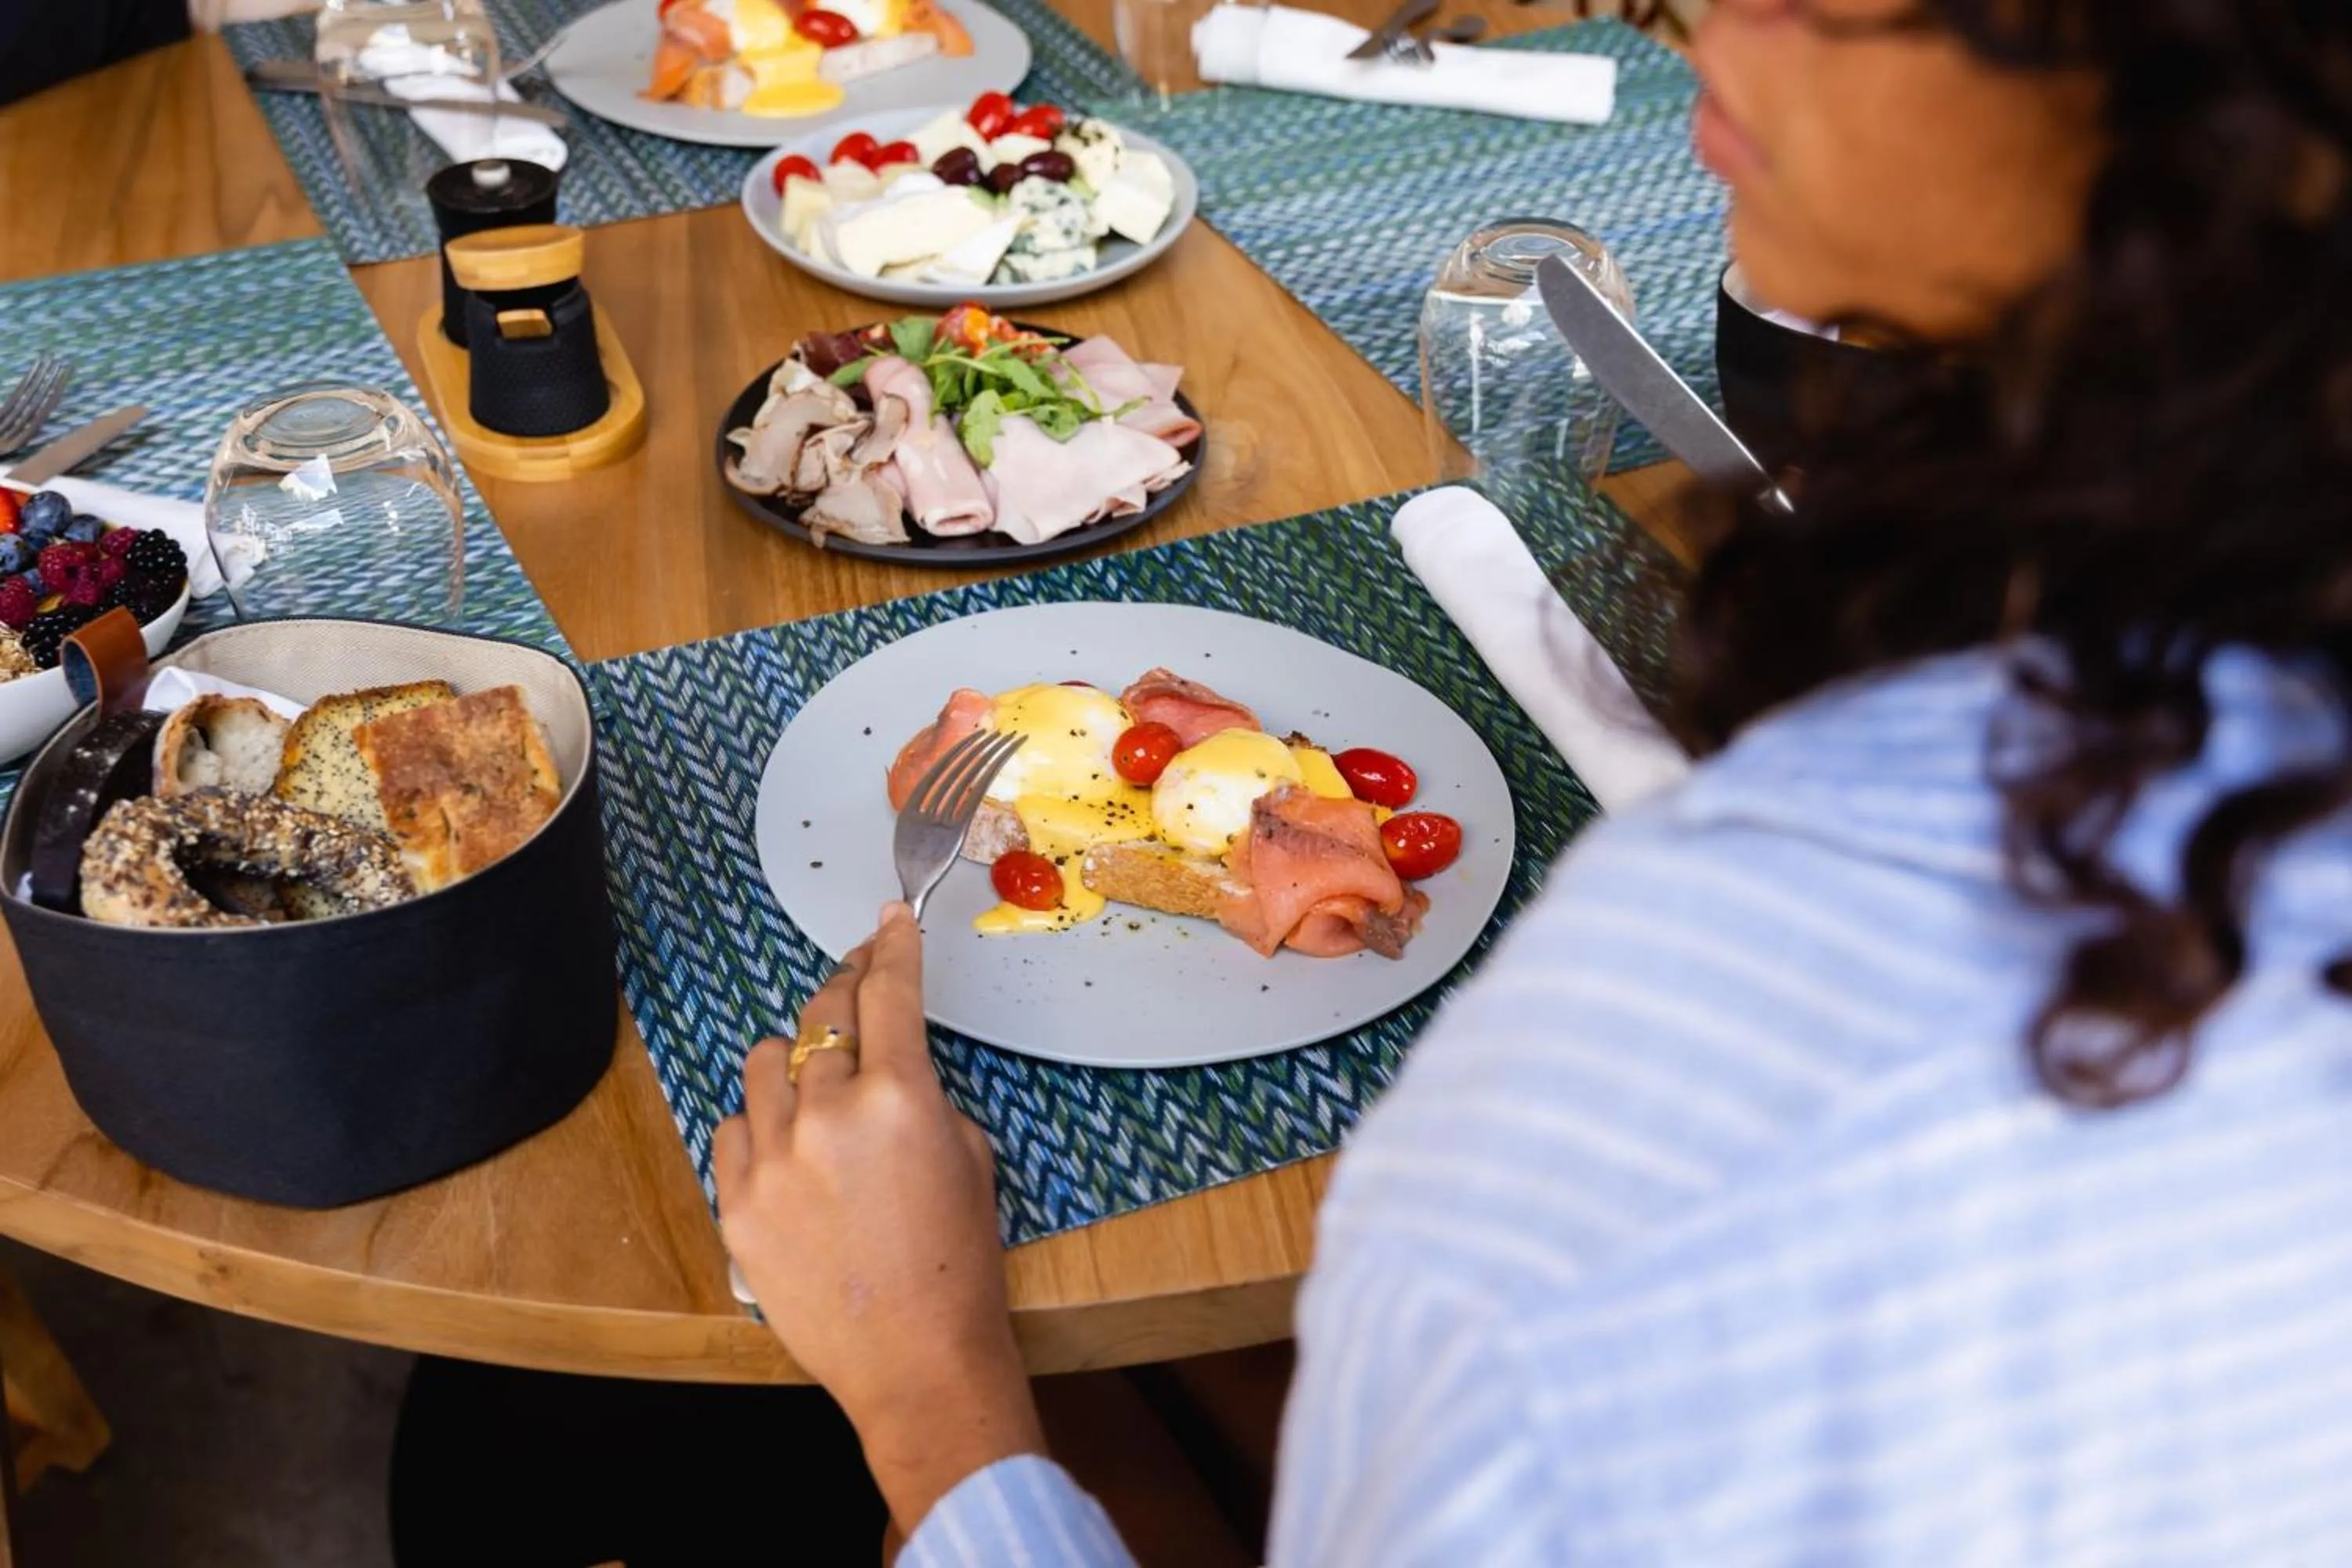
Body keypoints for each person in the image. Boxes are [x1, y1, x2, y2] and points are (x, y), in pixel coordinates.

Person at [717, 0, 2352, 1560]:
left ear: (2203, 136)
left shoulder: (1698, 1035)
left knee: (1072, 1400)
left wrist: (926, 1387)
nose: (1711, 26)